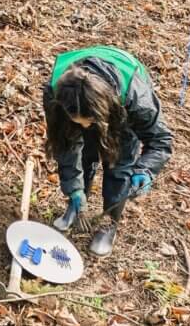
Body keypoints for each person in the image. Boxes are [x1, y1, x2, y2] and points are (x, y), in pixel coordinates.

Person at [44, 46, 172, 257]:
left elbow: (160, 140)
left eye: (89, 121)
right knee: (84, 153)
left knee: (119, 165)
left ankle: (109, 223)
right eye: (79, 121)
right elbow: (65, 145)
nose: (85, 127)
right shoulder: (57, 94)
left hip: (120, 107)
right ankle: (77, 205)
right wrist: (73, 188)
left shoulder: (136, 99)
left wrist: (145, 170)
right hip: (89, 106)